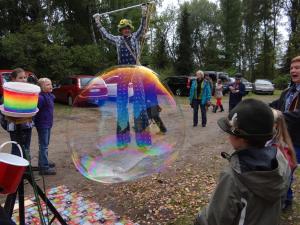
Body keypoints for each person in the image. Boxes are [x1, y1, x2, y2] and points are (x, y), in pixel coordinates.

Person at [194, 99, 290, 225]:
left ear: (239, 137)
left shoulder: (233, 177)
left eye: (229, 132)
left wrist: (200, 218)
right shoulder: (280, 161)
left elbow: (214, 220)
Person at [94, 5, 151, 149]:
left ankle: (143, 141)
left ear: (130, 29)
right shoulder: (118, 40)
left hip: (136, 74)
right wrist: (98, 22)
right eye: (124, 28)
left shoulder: (136, 37)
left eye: (128, 28)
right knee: (121, 107)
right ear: (121, 30)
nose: (126, 30)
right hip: (123, 75)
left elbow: (143, 28)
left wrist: (144, 14)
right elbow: (106, 35)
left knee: (140, 106)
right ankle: (122, 141)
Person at [270, 55, 300, 165]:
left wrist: (278, 115)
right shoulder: (288, 91)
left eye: (297, 68)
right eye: (291, 68)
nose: (293, 70)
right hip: (283, 137)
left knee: (289, 169)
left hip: (297, 142)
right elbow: (276, 104)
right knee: (281, 168)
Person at [267, 109, 297, 210]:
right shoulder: (270, 141)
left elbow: (283, 177)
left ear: (275, 125)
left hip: (275, 194)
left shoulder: (280, 149)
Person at [1, 68, 33, 158]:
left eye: (25, 77)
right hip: (14, 127)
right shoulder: (8, 93)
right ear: (13, 79)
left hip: (27, 125)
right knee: (17, 149)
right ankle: (16, 169)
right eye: (20, 78)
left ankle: (26, 168)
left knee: (26, 148)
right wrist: (9, 126)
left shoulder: (29, 91)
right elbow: (3, 113)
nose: (23, 80)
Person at [34, 78, 56, 175]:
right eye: (47, 85)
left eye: (50, 84)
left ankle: (43, 162)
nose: (50, 86)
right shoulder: (41, 98)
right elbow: (35, 110)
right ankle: (44, 168)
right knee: (44, 146)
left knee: (45, 145)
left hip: (48, 123)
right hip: (42, 124)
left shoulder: (49, 96)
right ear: (41, 87)